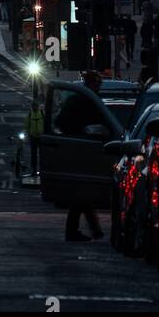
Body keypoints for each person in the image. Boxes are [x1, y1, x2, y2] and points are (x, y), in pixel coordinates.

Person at [60, 71, 105, 241]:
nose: (99, 87)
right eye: (97, 83)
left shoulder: (81, 100)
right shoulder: (87, 102)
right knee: (81, 194)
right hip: (82, 150)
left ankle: (93, 230)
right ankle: (80, 231)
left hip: (81, 149)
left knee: (82, 194)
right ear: (91, 84)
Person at [25, 100, 44, 175]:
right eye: (33, 106)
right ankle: (34, 169)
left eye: (35, 106)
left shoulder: (42, 114)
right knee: (33, 154)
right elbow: (26, 126)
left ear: (38, 107)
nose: (34, 108)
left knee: (42, 154)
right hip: (33, 137)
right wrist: (27, 134)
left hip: (41, 137)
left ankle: (42, 169)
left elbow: (46, 124)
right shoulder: (29, 115)